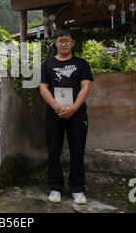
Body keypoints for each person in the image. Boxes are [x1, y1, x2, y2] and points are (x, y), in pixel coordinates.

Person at [40, 28, 93, 205]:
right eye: (60, 40)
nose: (63, 43)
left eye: (67, 40)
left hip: (77, 114)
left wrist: (73, 108)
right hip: (54, 115)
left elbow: (85, 87)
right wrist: (56, 106)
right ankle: (55, 187)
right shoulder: (47, 65)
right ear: (55, 43)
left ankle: (77, 188)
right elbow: (43, 88)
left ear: (73, 43)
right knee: (53, 150)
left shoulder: (82, 64)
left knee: (77, 151)